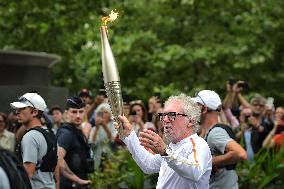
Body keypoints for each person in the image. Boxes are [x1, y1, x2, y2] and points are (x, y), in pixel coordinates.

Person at [118, 93, 212, 189]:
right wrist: (129, 135)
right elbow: (148, 165)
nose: (165, 120)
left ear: (190, 121)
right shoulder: (172, 146)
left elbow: (195, 172)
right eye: (164, 115)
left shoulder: (199, 144)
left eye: (171, 115)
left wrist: (165, 152)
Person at [192, 90, 247, 189]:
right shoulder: (209, 132)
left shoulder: (215, 133)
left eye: (197, 105)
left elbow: (240, 153)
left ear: (204, 109)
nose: (193, 109)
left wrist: (210, 162)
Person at [10, 92, 58, 189]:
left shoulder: (30, 137)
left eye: (22, 108)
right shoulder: (50, 133)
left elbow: (27, 174)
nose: (17, 112)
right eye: (17, 109)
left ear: (34, 112)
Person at [56, 96, 92, 189]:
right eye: (74, 112)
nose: (78, 116)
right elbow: (58, 158)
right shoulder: (66, 133)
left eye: (81, 111)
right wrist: (78, 180)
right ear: (66, 113)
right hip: (70, 185)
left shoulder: (76, 130)